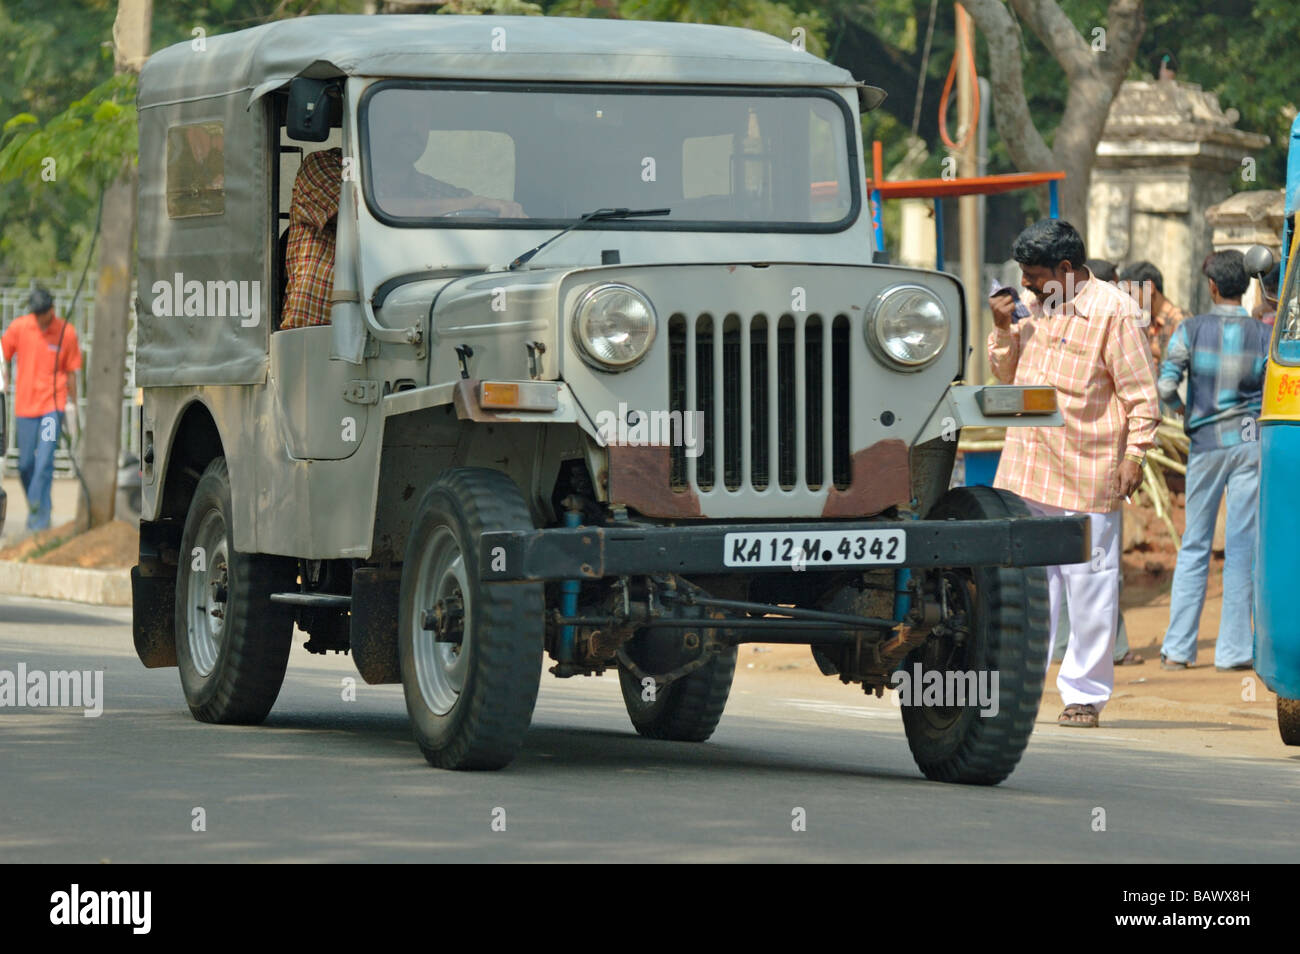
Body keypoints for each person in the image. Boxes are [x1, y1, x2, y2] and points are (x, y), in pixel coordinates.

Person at [987, 219, 1160, 728]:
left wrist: (1136, 456)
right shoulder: (1033, 308)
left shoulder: (1117, 312)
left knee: (1090, 588)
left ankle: (1083, 694)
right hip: (1027, 467)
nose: (1027, 286)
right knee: (1027, 588)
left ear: (1065, 270)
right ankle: (1018, 688)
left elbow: (1142, 397)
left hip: (1089, 469)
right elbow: (1005, 376)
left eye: (1035, 275)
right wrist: (1001, 330)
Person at [1157, 250, 1269, 672]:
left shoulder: (1191, 329)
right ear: (1243, 287)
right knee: (1242, 545)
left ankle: (1178, 650)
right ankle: (1235, 651)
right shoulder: (1262, 335)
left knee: (1194, 545)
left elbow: (1166, 385)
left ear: (1212, 287)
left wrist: (1183, 412)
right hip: (1248, 442)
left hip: (1205, 443)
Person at [0, 287, 81, 532]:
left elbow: (72, 373)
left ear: (51, 310)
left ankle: (38, 522)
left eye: (41, 313)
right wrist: (6, 375)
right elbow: (3, 352)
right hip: (25, 408)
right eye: (34, 313)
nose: (37, 317)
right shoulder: (20, 327)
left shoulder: (66, 333)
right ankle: (41, 504)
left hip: (51, 408)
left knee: (44, 461)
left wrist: (74, 407)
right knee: (25, 465)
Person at [281, 147, 344, 330]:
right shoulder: (324, 164)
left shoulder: (423, 186)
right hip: (316, 330)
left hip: (390, 320)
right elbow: (356, 211)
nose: (412, 130)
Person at [1118, 260, 1190, 366]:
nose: (1128, 299)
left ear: (1150, 287)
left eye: (1131, 293)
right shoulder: (1148, 323)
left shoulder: (1180, 320)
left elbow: (1180, 363)